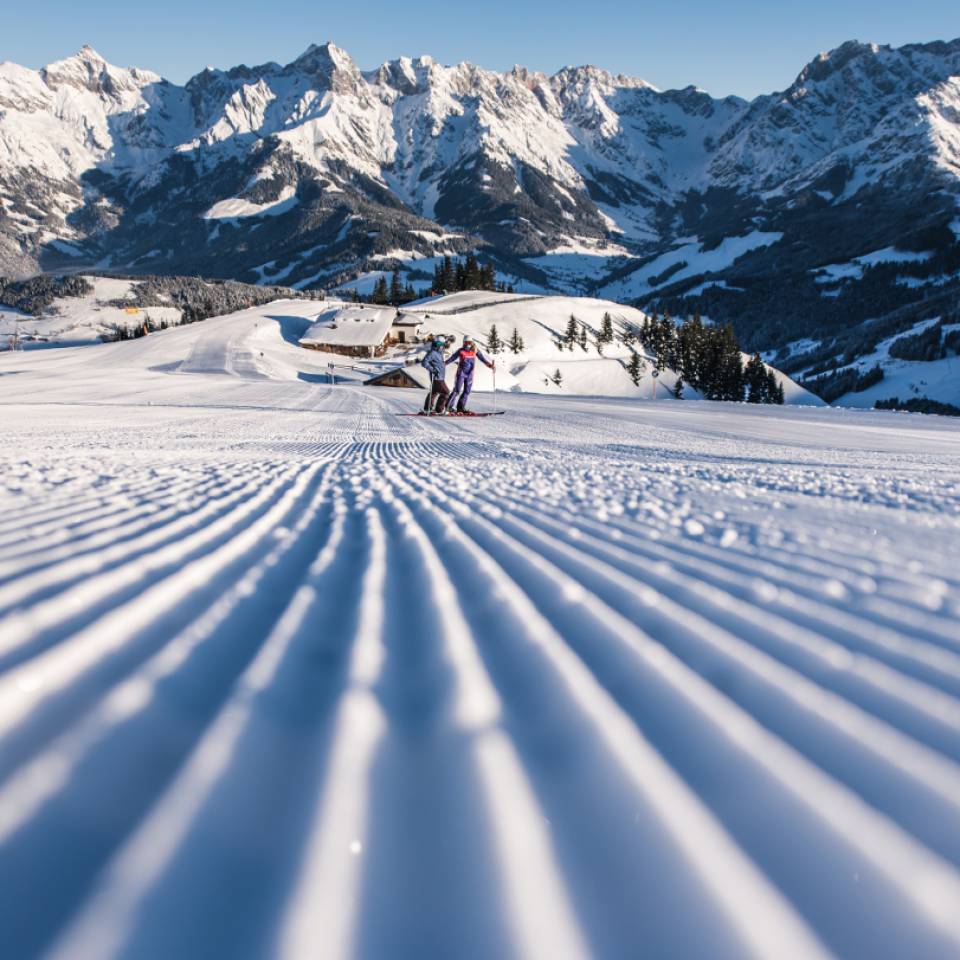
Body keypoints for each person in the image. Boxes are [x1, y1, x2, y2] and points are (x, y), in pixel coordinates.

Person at [445, 335, 494, 414]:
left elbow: (482, 359)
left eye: (469, 342)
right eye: (466, 342)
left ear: (472, 343)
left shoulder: (475, 350)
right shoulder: (461, 351)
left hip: (470, 374)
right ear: (463, 343)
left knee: (467, 391)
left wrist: (490, 365)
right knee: (457, 390)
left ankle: (460, 408)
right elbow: (452, 358)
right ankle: (448, 407)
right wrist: (445, 363)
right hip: (461, 373)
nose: (467, 344)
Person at [421, 337, 451, 414]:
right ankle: (439, 409)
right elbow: (424, 362)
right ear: (435, 344)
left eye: (442, 344)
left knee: (434, 392)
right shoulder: (432, 353)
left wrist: (446, 341)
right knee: (446, 392)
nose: (441, 346)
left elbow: (445, 347)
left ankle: (427, 408)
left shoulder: (439, 352)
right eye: (439, 344)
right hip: (437, 377)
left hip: (439, 377)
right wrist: (433, 370)